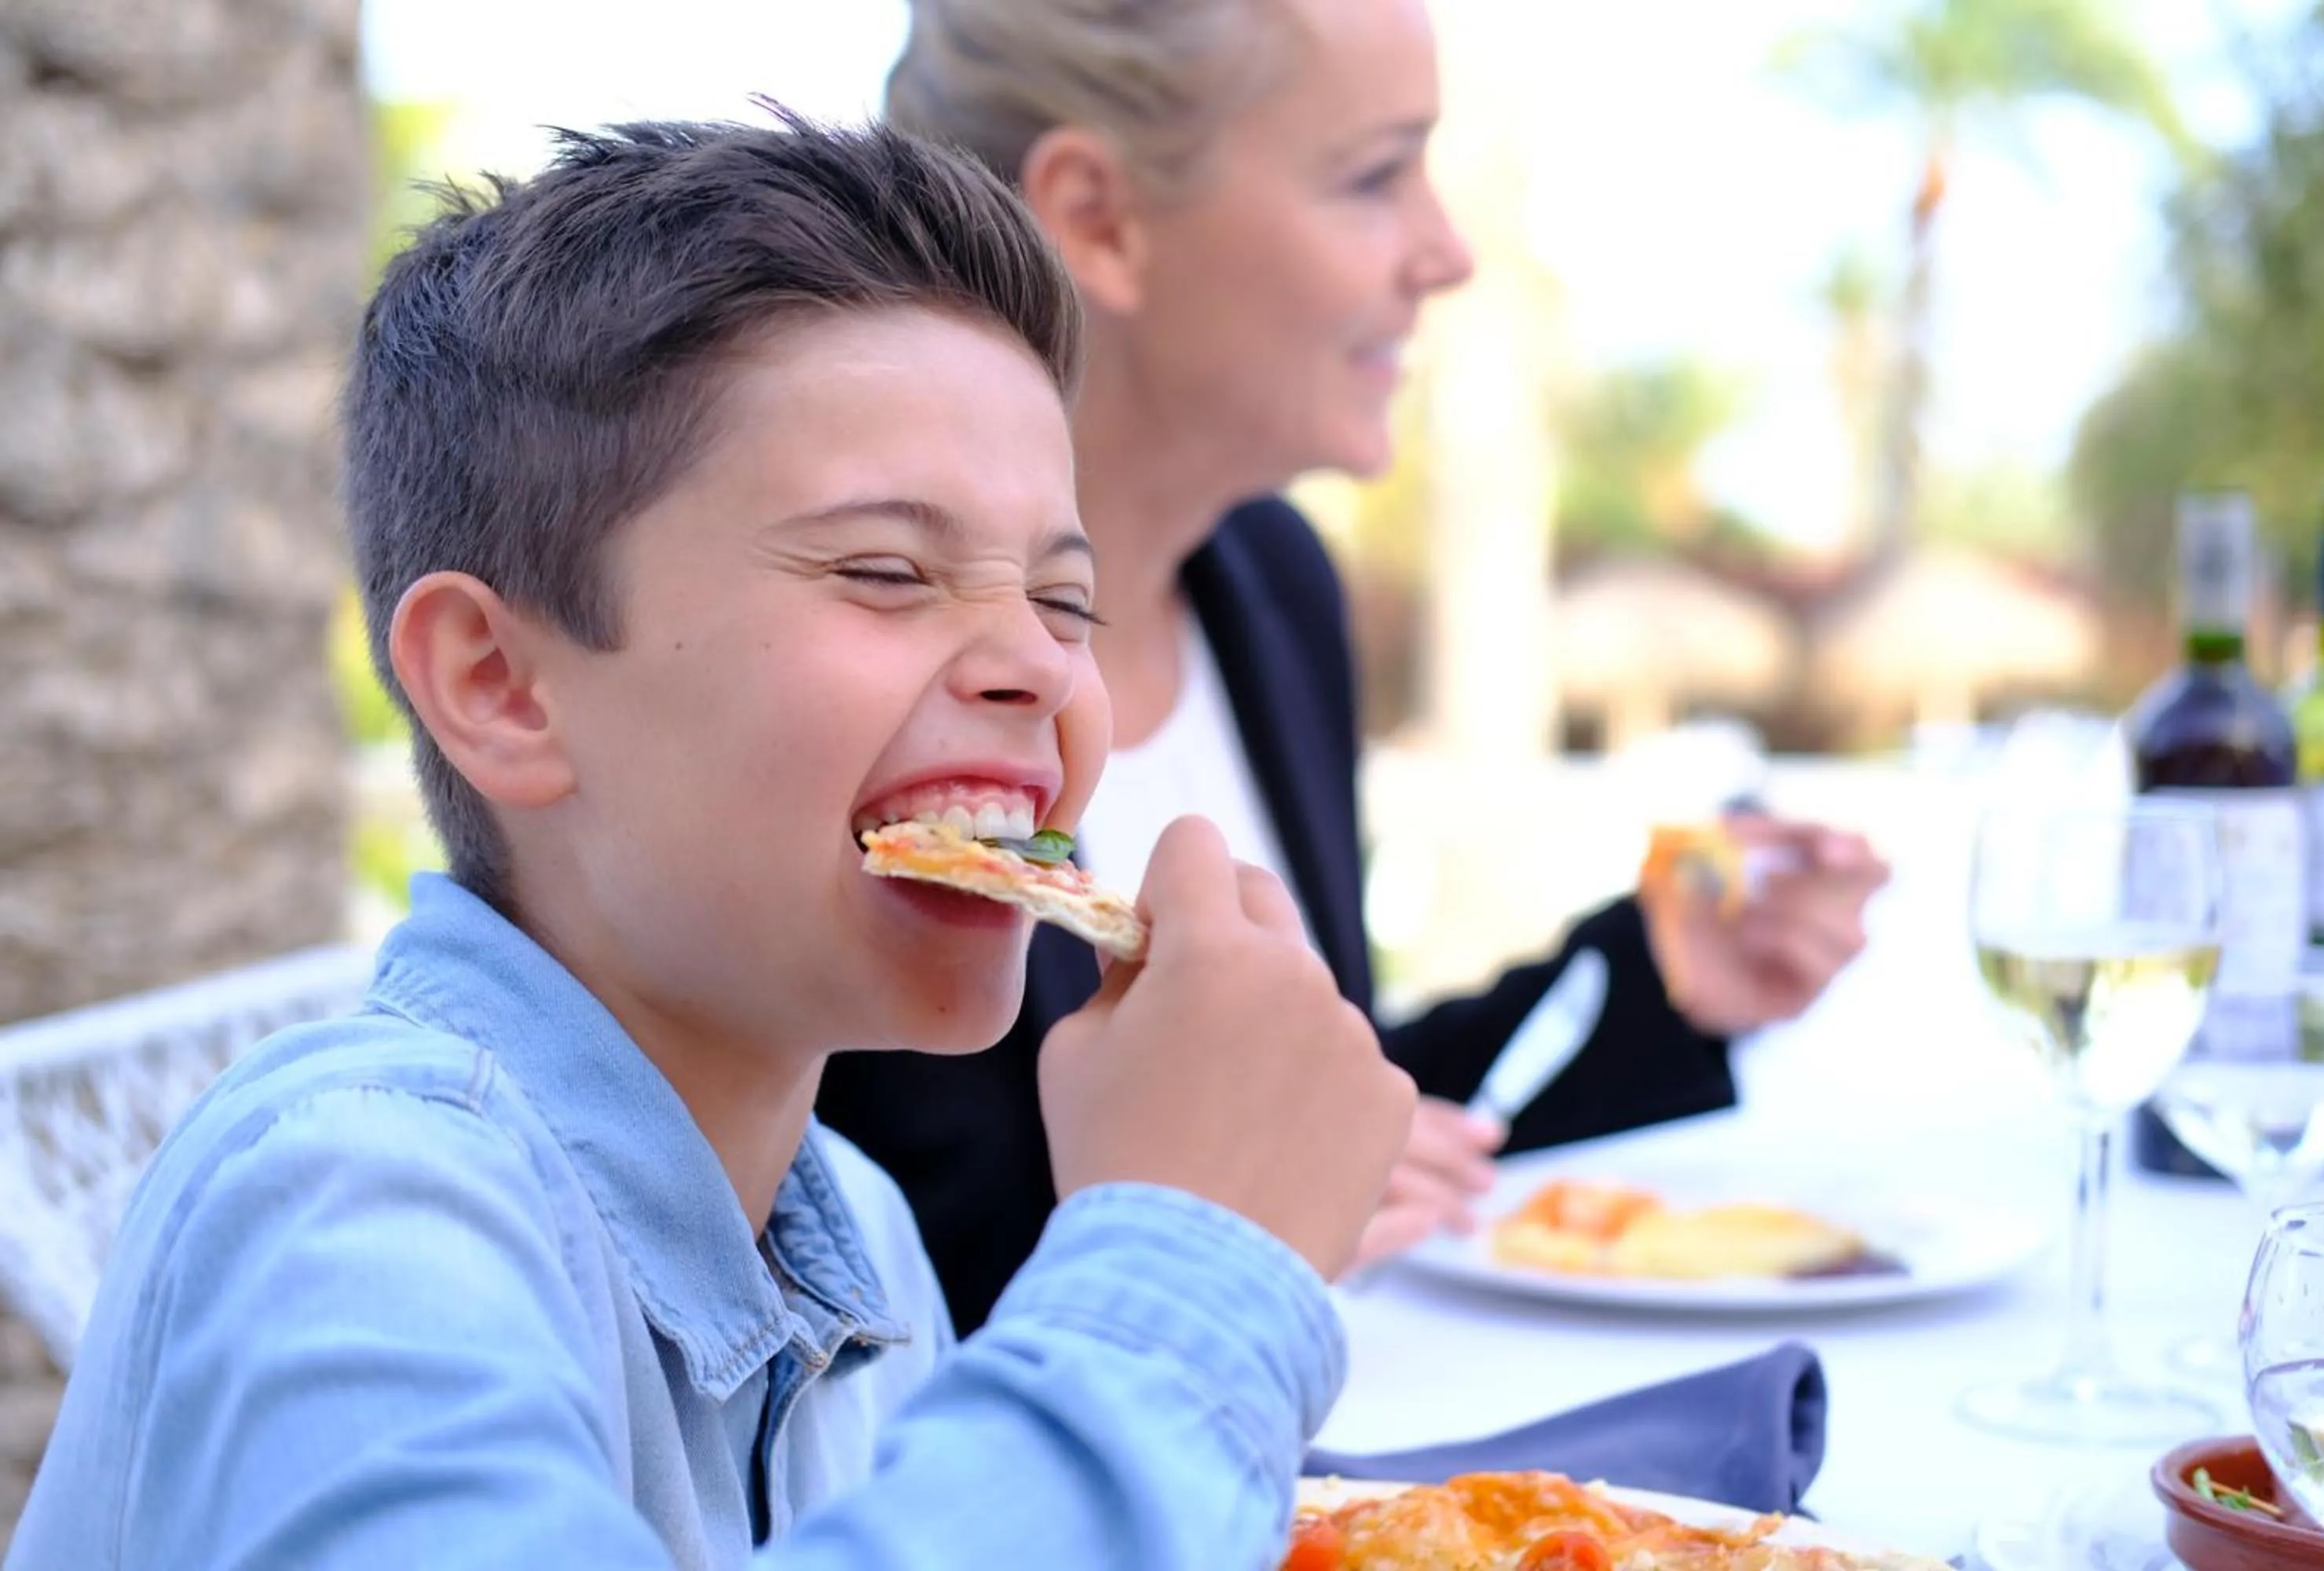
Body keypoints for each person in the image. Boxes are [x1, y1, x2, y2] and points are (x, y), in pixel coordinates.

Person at [5, 115, 1417, 1570]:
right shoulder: (349, 1207)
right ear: (500, 686)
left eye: (1066, 602)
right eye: (886, 570)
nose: (1039, 669)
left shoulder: (860, 1241)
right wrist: (1187, 1265)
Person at [816, 0, 1892, 1335]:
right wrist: (1203, 1235)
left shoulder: (1270, 586)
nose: (1447, 253)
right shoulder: (861, 662)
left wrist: (1653, 976)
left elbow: (1327, 1112)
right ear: (1099, 219)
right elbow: (841, 1258)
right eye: (1377, 175)